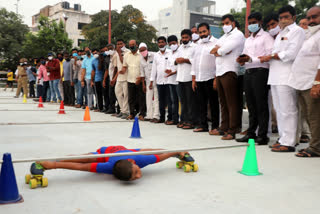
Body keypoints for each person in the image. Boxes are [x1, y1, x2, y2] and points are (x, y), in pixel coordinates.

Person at [259, 5, 305, 152]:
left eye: (286, 17)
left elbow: (291, 53)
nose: (283, 20)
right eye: (281, 18)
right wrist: (270, 56)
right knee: (279, 110)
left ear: (294, 18)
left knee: (288, 110)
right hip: (275, 75)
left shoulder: (297, 31)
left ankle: (290, 142)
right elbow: (275, 52)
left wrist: (271, 56)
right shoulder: (280, 34)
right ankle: (283, 138)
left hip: (287, 75)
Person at [30, 145, 188, 181]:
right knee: (83, 158)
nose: (139, 176)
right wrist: (51, 165)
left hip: (126, 151)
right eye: (136, 174)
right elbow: (79, 166)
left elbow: (160, 155)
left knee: (151, 151)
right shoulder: (107, 167)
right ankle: (54, 159)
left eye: (135, 175)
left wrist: (175, 152)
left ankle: (174, 149)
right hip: (107, 152)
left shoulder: (139, 160)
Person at [236, 12, 274, 145]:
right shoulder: (248, 39)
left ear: (260, 22)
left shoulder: (266, 37)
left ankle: (263, 135)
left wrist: (251, 59)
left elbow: (270, 55)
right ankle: (251, 133)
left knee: (261, 104)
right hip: (249, 71)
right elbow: (247, 55)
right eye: (250, 23)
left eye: (254, 22)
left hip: (261, 72)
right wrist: (242, 60)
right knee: (251, 105)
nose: (251, 25)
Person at [288, 6, 320, 157]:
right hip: (301, 82)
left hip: (312, 83)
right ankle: (314, 145)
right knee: (308, 116)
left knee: (315, 117)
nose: (311, 20)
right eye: (309, 18)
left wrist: (317, 83)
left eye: (315, 17)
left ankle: (315, 148)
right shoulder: (311, 35)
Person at [210, 14, 245, 140]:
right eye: (223, 24)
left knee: (232, 103)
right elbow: (212, 50)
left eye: (227, 23)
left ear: (233, 23)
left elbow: (223, 50)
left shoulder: (238, 35)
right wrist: (220, 50)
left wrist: (220, 50)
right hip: (220, 72)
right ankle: (223, 127)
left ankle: (233, 129)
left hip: (230, 70)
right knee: (223, 103)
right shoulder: (224, 36)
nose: (225, 26)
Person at [191, 23, 220, 133]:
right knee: (201, 104)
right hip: (199, 78)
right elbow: (194, 62)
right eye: (200, 32)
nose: (202, 34)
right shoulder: (197, 45)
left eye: (204, 31)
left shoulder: (216, 43)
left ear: (209, 31)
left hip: (211, 78)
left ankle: (215, 126)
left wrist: (216, 78)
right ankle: (202, 125)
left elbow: (218, 61)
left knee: (213, 104)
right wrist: (194, 79)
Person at [175, 29, 196, 129]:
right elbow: (176, 60)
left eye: (186, 37)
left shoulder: (194, 47)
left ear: (190, 38)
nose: (184, 39)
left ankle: (190, 121)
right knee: (182, 101)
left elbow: (195, 61)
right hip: (180, 78)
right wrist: (177, 60)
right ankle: (183, 120)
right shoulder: (180, 48)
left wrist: (185, 60)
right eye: (183, 38)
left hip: (189, 78)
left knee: (190, 101)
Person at [122, 40, 146, 120]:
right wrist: (121, 71)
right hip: (130, 79)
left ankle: (142, 114)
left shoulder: (141, 55)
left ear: (137, 45)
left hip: (140, 79)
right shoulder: (126, 55)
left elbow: (144, 67)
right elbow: (125, 66)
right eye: (130, 45)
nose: (131, 46)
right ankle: (132, 113)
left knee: (141, 98)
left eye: (133, 45)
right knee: (131, 98)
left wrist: (141, 78)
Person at [150, 36, 171, 123]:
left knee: (170, 101)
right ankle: (162, 118)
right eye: (159, 42)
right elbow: (154, 68)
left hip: (169, 81)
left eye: (162, 42)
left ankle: (170, 118)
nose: (161, 44)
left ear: (165, 43)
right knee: (161, 101)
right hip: (159, 81)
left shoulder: (170, 53)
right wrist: (151, 81)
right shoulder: (156, 55)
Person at [139, 43, 160, 122]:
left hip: (156, 80)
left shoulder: (154, 55)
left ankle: (156, 115)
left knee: (156, 98)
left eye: (144, 50)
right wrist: (143, 85)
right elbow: (142, 73)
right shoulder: (140, 59)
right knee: (148, 98)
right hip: (148, 82)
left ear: (147, 49)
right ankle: (149, 115)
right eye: (141, 50)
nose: (143, 51)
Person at [114, 39, 130, 119]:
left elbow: (124, 62)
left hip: (127, 77)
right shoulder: (116, 53)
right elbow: (117, 67)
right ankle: (122, 110)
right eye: (118, 44)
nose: (119, 45)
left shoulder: (127, 52)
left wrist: (120, 53)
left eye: (121, 44)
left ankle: (126, 112)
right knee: (118, 93)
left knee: (126, 95)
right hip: (119, 77)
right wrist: (114, 78)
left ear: (124, 44)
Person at [166, 35, 180, 125]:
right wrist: (168, 70)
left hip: (178, 80)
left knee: (180, 101)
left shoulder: (180, 52)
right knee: (172, 101)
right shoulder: (170, 54)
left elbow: (180, 67)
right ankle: (174, 119)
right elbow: (169, 66)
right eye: (170, 44)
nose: (172, 45)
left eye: (174, 43)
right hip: (171, 80)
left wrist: (173, 72)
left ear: (177, 42)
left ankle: (181, 119)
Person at [104, 44, 118, 114]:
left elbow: (116, 68)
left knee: (114, 94)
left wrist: (113, 79)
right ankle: (111, 108)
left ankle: (114, 109)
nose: (109, 50)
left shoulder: (115, 55)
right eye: (108, 49)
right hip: (111, 78)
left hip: (114, 78)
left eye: (111, 48)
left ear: (114, 48)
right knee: (111, 94)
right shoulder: (110, 56)